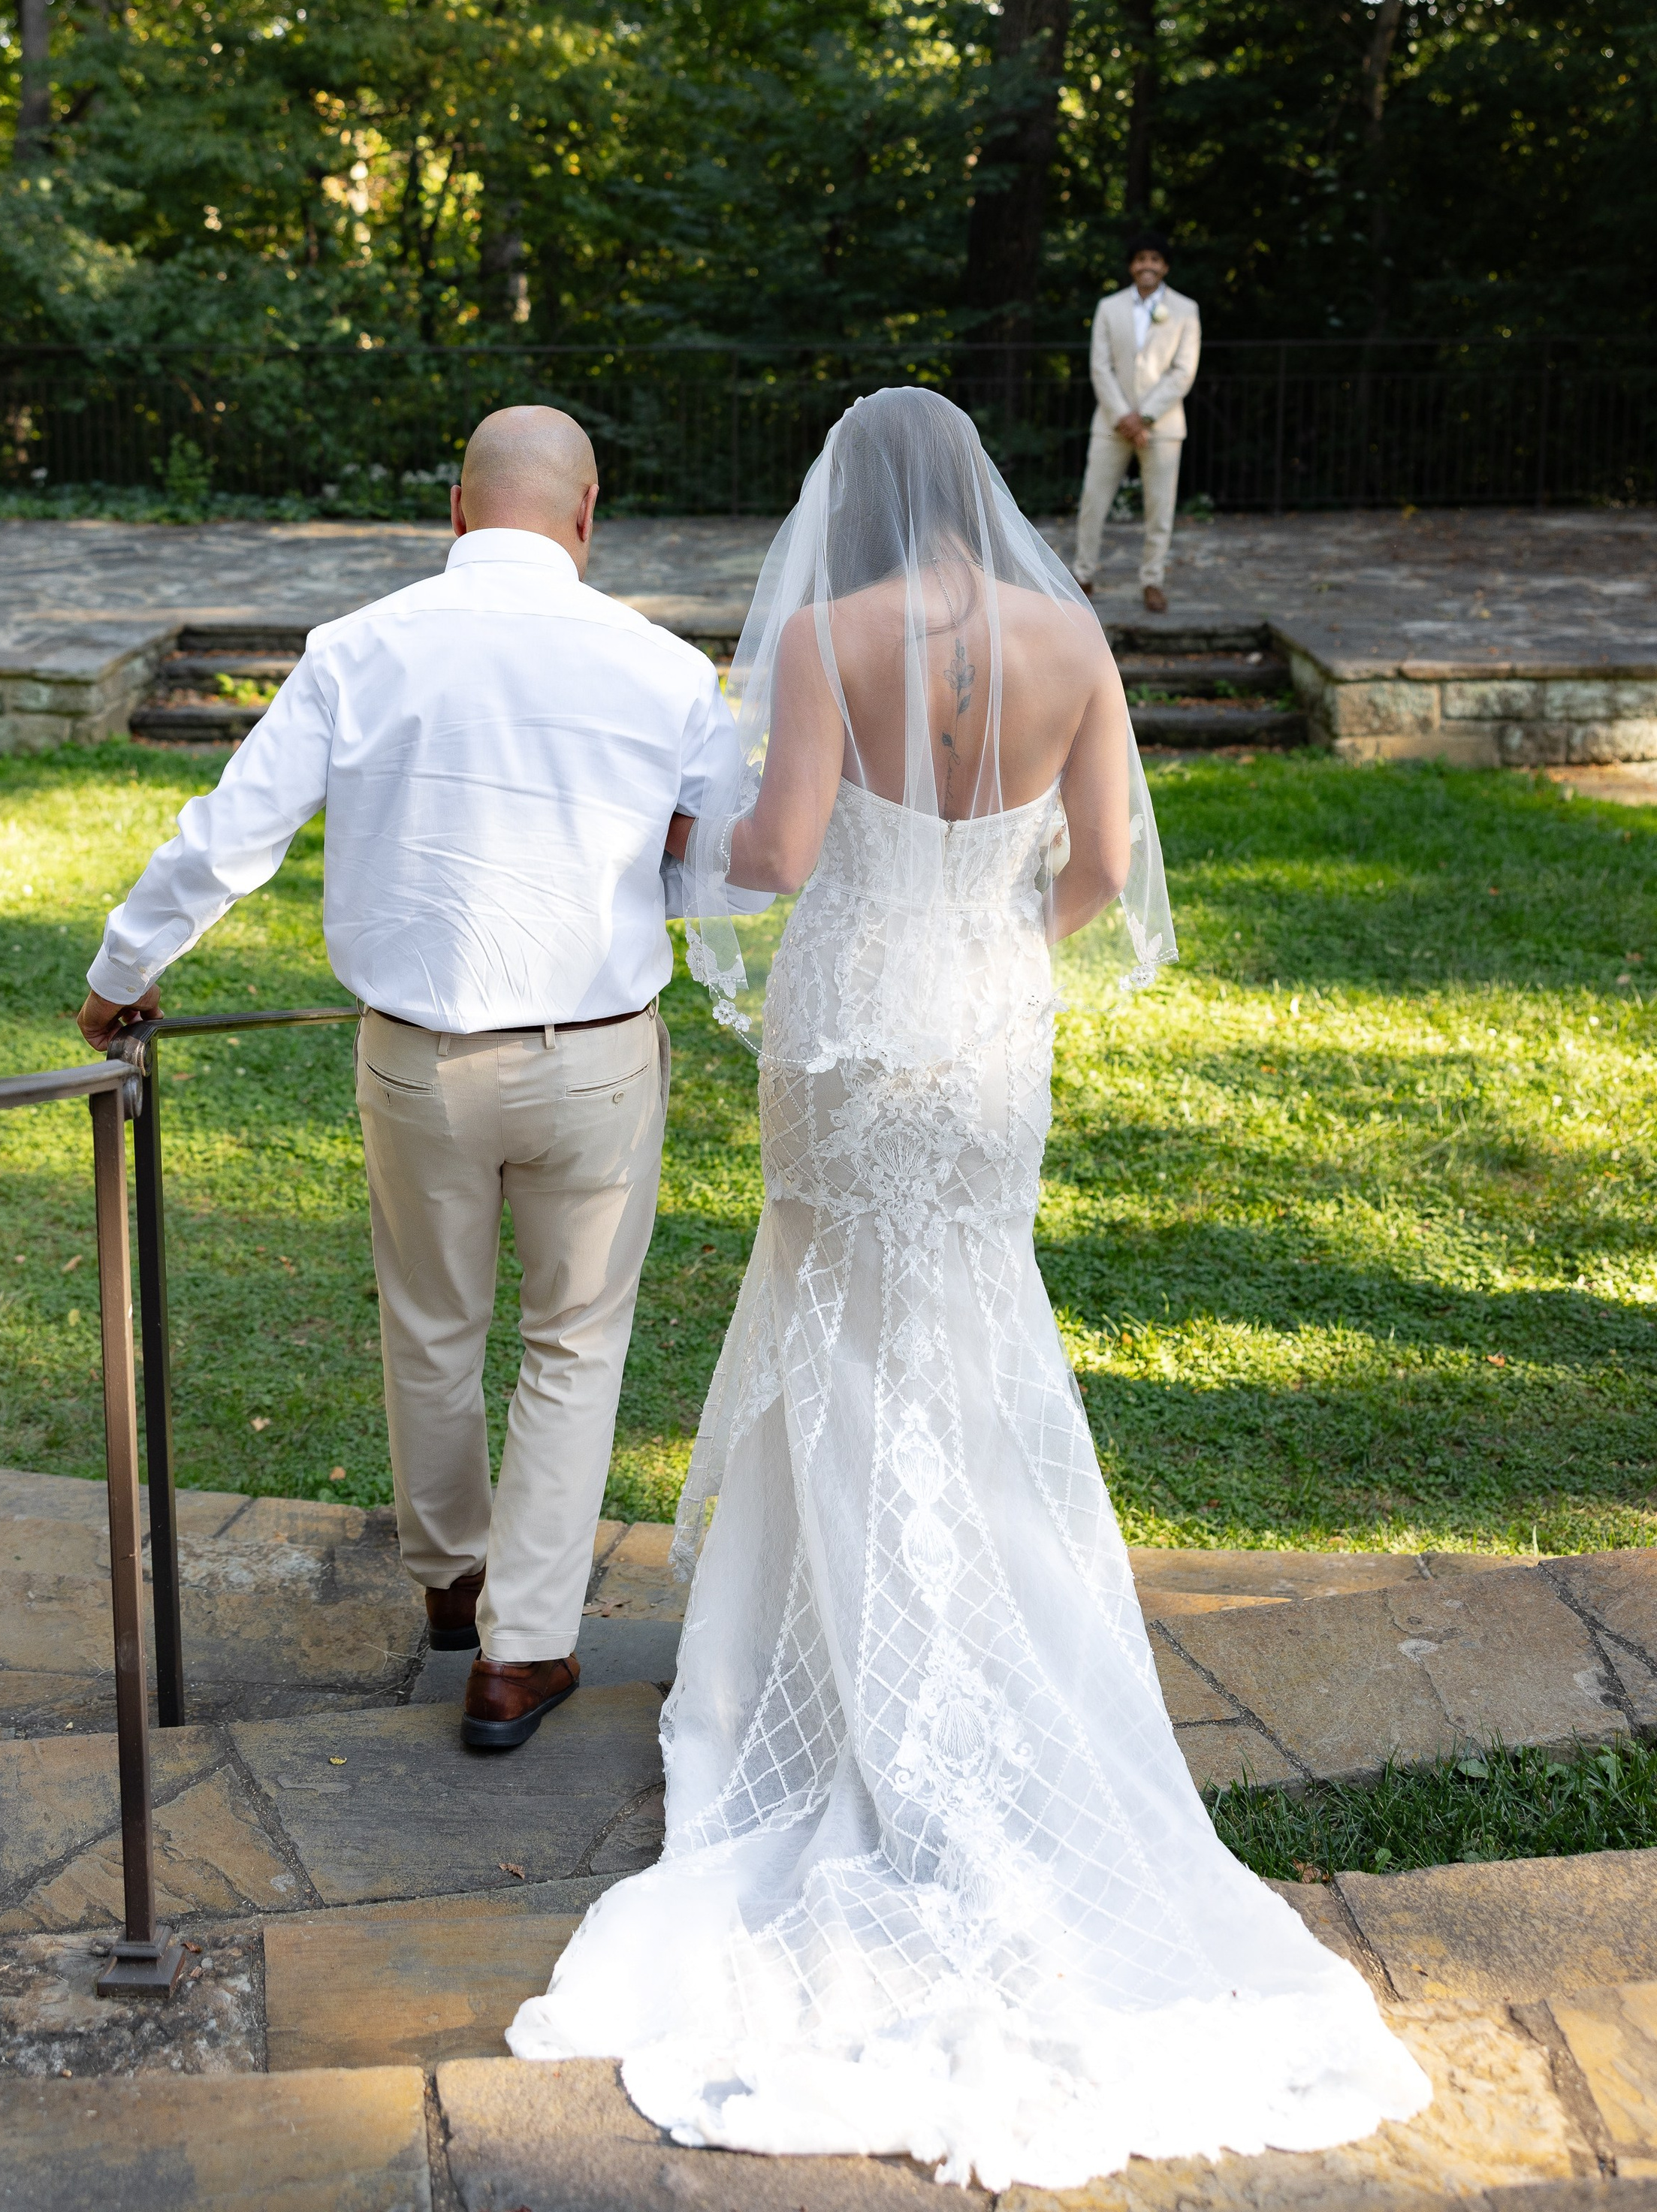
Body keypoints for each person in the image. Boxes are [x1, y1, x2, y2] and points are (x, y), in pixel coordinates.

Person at [509, 389, 1429, 2190]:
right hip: (985, 1030)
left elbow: (773, 854)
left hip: (848, 1023)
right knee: (971, 1338)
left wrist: (660, 862)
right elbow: (1097, 868)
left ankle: (831, 1670)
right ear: (982, 503)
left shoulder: (832, 637)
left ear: (848, 510)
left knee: (834, 1336)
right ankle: (976, 1633)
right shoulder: (1069, 633)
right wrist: (995, 947)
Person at [75, 406, 742, 1752]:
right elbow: (726, 862)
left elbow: (231, 835)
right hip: (597, 1056)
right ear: (586, 513)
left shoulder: (360, 648)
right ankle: (524, 1650)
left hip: (418, 1058)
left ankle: (454, 1581)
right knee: (573, 1345)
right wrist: (649, 872)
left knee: (432, 1327)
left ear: (455, 509)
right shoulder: (663, 665)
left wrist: (123, 966)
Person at [1073, 234, 1200, 615]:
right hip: (1111, 423)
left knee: (1160, 509)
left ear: (1165, 266)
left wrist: (1144, 416)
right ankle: (1082, 575)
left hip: (1162, 426)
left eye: (1155, 259)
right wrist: (1123, 417)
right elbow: (1100, 365)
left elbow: (1183, 371)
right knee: (1093, 501)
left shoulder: (1185, 309)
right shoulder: (1109, 307)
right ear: (1131, 265)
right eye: (1141, 258)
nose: (1148, 265)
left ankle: (1152, 580)